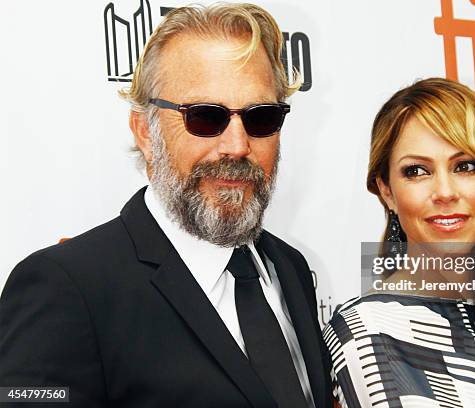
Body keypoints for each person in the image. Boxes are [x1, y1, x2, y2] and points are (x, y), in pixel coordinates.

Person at [0, 4, 331, 407]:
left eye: (260, 118)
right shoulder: (65, 289)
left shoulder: (290, 268)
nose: (237, 146)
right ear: (144, 131)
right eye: (206, 117)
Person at [323, 78, 475, 407]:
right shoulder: (364, 331)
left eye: (465, 166)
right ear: (387, 192)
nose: (445, 192)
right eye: (416, 171)